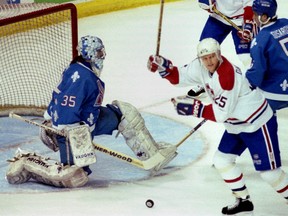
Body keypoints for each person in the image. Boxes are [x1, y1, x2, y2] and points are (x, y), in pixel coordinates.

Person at [5, 35, 177, 188]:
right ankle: (27, 163)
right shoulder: (84, 78)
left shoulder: (78, 69)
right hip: (71, 131)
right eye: (100, 53)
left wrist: (50, 118)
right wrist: (68, 132)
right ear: (90, 54)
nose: (103, 56)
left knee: (126, 113)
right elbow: (67, 108)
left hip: (84, 122)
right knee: (75, 177)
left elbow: (60, 98)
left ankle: (153, 156)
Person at [147, 38, 288, 215]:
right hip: (236, 125)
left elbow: (222, 114)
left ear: (219, 55)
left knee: (270, 174)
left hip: (257, 124)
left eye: (212, 57)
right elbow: (178, 77)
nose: (209, 61)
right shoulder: (200, 66)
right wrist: (163, 66)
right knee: (222, 160)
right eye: (205, 58)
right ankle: (243, 201)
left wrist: (194, 108)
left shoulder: (227, 76)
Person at [187, 0, 257, 98]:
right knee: (205, 49)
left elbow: (250, 6)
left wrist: (248, 26)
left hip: (241, 20)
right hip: (218, 17)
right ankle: (206, 82)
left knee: (246, 57)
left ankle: (254, 84)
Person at [245, 0, 288, 111]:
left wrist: (244, 85)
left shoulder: (260, 41)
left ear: (264, 17)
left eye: (255, 14)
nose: (253, 17)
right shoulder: (286, 22)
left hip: (275, 94)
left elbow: (257, 73)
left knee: (248, 110)